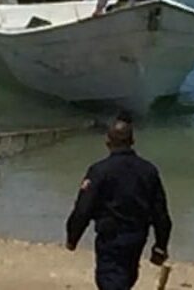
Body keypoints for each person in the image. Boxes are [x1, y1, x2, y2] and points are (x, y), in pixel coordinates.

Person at [66, 119, 172, 290]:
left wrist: (73, 237)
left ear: (107, 141)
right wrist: (160, 245)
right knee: (126, 278)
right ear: (132, 142)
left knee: (110, 280)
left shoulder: (99, 171)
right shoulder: (148, 171)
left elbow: (83, 209)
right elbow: (160, 213)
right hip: (137, 237)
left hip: (111, 237)